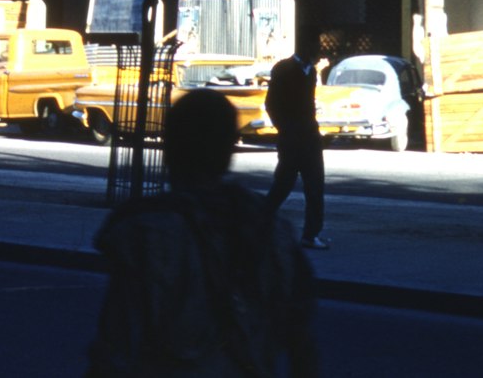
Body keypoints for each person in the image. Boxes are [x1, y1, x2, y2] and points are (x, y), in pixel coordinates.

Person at [85, 89, 318, 378]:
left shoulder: (145, 234)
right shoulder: (271, 228)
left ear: (170, 150)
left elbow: (116, 346)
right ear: (229, 149)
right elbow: (301, 340)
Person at [264, 41, 330, 249]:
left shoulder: (310, 72)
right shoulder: (284, 69)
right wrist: (284, 127)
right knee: (283, 184)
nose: (319, 51)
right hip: (293, 137)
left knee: (314, 187)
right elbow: (271, 103)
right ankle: (259, 221)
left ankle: (311, 234)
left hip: (309, 136)